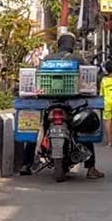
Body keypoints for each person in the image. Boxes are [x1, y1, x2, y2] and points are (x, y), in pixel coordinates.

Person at [17, 34, 104, 179]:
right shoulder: (78, 58)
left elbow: (37, 77)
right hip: (73, 101)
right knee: (84, 128)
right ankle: (91, 168)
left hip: (48, 100)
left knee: (35, 128)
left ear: (59, 45)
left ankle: (26, 164)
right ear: (72, 45)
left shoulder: (47, 59)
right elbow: (91, 76)